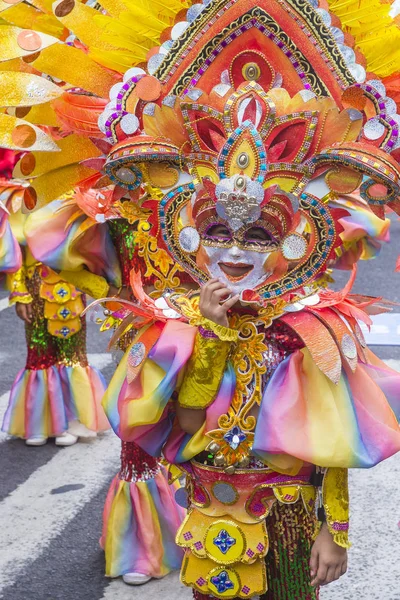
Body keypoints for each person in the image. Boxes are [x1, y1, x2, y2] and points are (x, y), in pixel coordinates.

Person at [0, 178, 109, 445]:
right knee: (39, 355)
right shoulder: (19, 197)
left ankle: (74, 419)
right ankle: (47, 424)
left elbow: (93, 245)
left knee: (72, 354)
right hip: (35, 286)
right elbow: (12, 247)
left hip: (72, 285)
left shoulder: (78, 194)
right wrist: (19, 292)